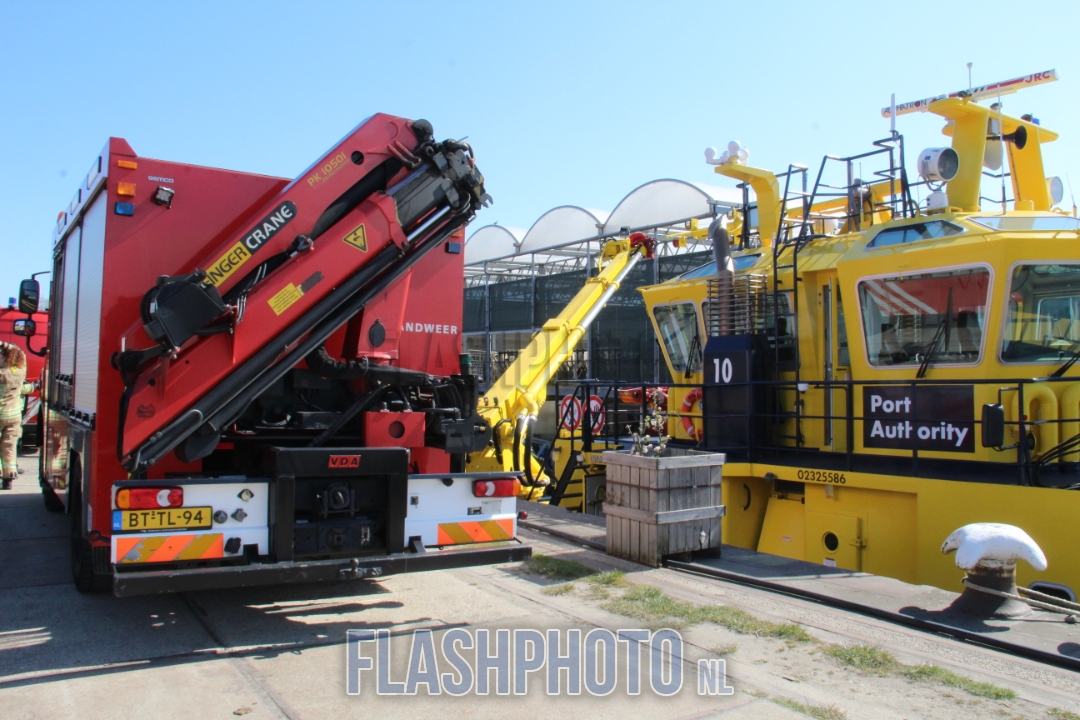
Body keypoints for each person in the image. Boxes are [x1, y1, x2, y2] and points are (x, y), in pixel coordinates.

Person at [0, 341, 34, 490]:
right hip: (13, 417)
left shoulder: (2, 374)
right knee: (9, 446)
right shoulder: (20, 371)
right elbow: (23, 388)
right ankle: (9, 477)